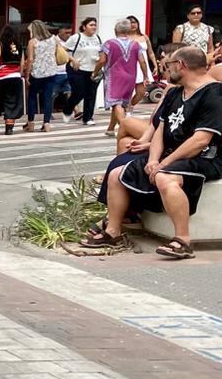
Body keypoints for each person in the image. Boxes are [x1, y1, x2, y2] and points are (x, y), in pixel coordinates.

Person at [85, 45, 222, 261]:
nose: (166, 70)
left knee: (165, 177)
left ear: (181, 65)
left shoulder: (214, 94)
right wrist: (153, 158)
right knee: (117, 174)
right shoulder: (176, 93)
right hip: (170, 154)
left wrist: (163, 162)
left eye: (169, 65)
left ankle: (182, 240)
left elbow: (200, 140)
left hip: (204, 157)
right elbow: (160, 129)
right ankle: (113, 231)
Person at [100, 19, 150, 137]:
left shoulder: (109, 43)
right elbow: (142, 61)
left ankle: (125, 127)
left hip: (115, 77)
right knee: (120, 103)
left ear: (115, 31)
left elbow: (102, 60)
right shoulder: (135, 44)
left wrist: (95, 71)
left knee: (116, 103)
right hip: (130, 77)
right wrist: (145, 76)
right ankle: (111, 128)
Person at [24, 19, 64, 132]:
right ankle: (46, 123)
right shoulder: (54, 39)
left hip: (37, 73)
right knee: (47, 97)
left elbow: (30, 59)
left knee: (32, 97)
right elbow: (58, 52)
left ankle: (31, 123)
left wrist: (27, 75)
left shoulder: (33, 42)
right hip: (51, 72)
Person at [64, 18, 104, 125]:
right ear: (84, 26)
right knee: (79, 92)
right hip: (78, 69)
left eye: (95, 25)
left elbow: (101, 52)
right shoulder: (76, 37)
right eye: (91, 25)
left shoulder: (97, 38)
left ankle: (88, 118)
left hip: (93, 69)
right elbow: (64, 50)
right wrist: (73, 59)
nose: (93, 27)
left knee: (91, 94)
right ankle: (68, 109)